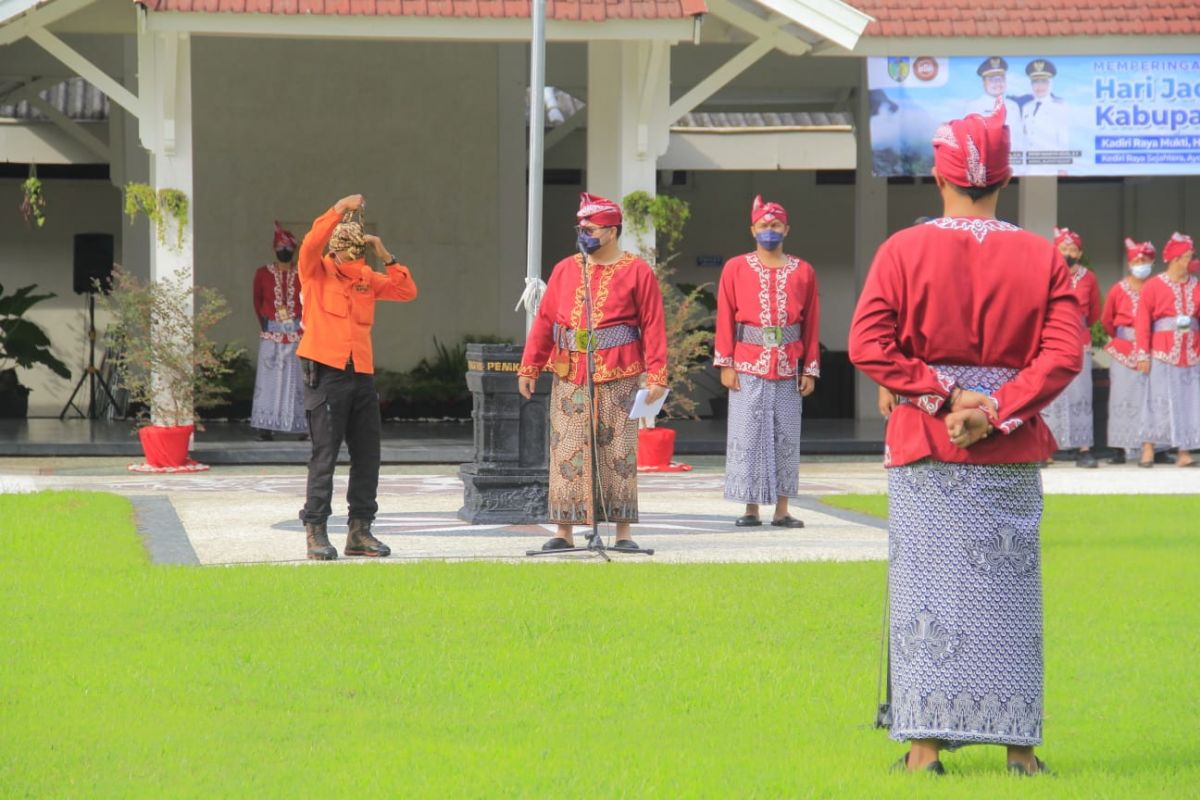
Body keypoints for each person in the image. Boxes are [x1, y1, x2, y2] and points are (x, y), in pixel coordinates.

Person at [849, 98, 1080, 775]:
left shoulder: (903, 249)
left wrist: (943, 395)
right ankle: (1021, 751)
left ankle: (924, 751)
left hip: (925, 441)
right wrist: (996, 407)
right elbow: (1063, 353)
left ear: (938, 175)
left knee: (927, 592)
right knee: (1010, 591)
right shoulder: (1042, 258)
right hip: (1006, 445)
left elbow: (867, 341)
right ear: (1004, 179)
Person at [517, 193, 668, 552]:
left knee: (619, 453)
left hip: (620, 372)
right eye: (580, 228)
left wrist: (658, 375)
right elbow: (545, 321)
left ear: (612, 231)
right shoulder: (566, 269)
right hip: (570, 373)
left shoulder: (637, 270)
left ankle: (623, 532)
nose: (583, 234)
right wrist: (530, 365)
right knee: (566, 450)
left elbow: (653, 324)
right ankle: (563, 530)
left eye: (590, 229)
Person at [296, 194, 419, 560]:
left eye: (358, 253)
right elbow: (310, 242)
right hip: (326, 372)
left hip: (361, 373)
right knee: (325, 455)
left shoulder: (365, 277)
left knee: (368, 455)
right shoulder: (315, 271)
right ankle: (315, 530)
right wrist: (337, 209)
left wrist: (386, 255)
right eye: (347, 251)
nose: (353, 260)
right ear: (336, 250)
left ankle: (359, 531)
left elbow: (405, 290)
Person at [713, 195, 820, 528]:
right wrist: (725, 363)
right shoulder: (735, 267)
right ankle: (750, 508)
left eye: (775, 225)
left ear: (786, 229)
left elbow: (812, 321)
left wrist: (810, 369)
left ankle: (782, 509)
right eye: (763, 225)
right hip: (746, 364)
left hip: (788, 366)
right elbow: (725, 319)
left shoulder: (804, 271)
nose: (769, 230)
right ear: (752, 229)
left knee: (786, 436)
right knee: (748, 435)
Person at [1134, 232, 1200, 468]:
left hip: (1191, 352)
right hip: (1162, 352)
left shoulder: (1196, 286)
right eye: (1186, 258)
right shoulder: (1153, 286)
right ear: (1174, 259)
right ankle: (1148, 448)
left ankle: (1184, 451)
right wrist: (1143, 354)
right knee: (1156, 400)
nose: (1190, 262)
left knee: (1189, 402)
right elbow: (1142, 322)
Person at [1038, 227, 1101, 467]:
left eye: (1073, 249)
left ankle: (1083, 448)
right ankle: (1046, 449)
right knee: (1049, 392)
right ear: (1055, 250)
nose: (1068, 253)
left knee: (1081, 393)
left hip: (1079, 339)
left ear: (1080, 252)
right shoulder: (1045, 273)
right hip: (1051, 339)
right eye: (1064, 248)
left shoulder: (1089, 278)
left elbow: (1095, 312)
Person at [250, 223, 308, 441]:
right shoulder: (263, 273)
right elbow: (257, 300)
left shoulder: (301, 273)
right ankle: (265, 427)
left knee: (298, 381)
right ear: (274, 248)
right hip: (272, 333)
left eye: (288, 247)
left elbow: (308, 300)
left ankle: (302, 426)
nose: (285, 250)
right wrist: (265, 323)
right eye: (281, 246)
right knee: (268, 381)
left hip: (297, 334)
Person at [1100, 238, 1155, 464]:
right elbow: (1106, 320)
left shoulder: (1154, 287)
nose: (1140, 263)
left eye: (1145, 260)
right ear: (1130, 262)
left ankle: (1154, 447)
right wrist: (1124, 339)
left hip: (1150, 350)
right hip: (1123, 349)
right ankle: (1120, 448)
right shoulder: (1118, 289)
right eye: (1137, 260)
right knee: (1121, 398)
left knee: (1149, 398)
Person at [966, 57, 1025, 153]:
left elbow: (1020, 139)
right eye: (992, 80)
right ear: (983, 83)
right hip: (988, 164)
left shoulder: (1013, 106)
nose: (997, 83)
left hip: (1014, 163)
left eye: (1000, 79)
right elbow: (970, 141)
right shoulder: (974, 106)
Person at [1021, 59, 1069, 154]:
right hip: (1029, 165)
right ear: (1031, 84)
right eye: (1035, 82)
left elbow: (1063, 139)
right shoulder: (1026, 107)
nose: (1040, 86)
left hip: (1050, 165)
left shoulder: (1059, 107)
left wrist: (1062, 166)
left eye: (1044, 82)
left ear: (1050, 84)